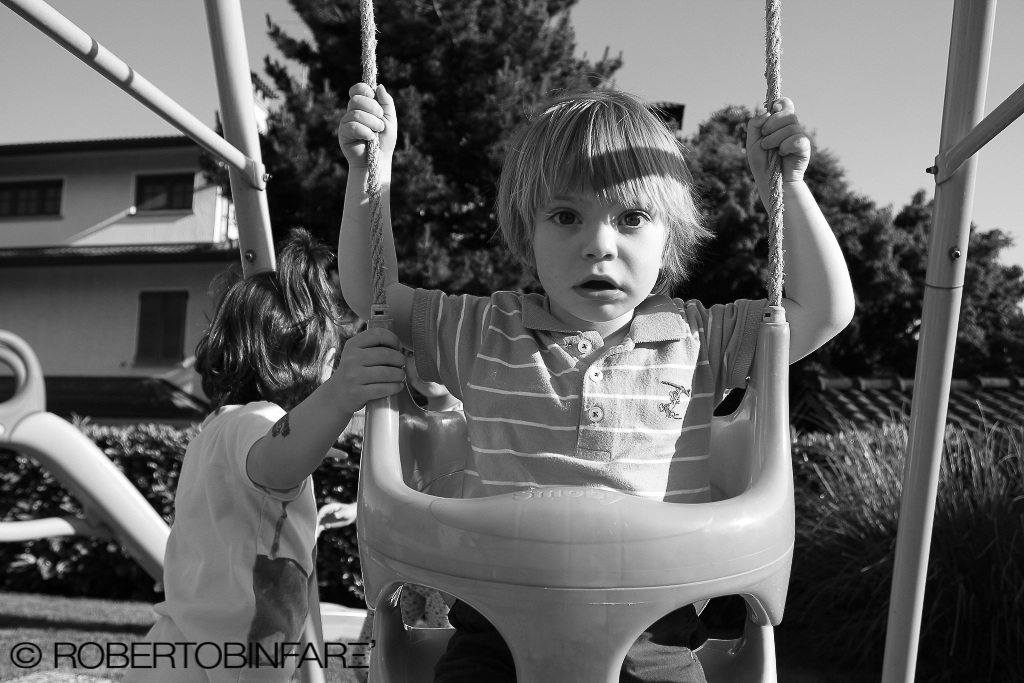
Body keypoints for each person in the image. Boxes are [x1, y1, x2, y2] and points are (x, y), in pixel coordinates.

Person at [337, 84, 854, 682]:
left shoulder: (699, 339)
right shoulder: (482, 330)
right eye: (565, 216)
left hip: (654, 636)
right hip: (496, 633)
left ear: (671, 236)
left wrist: (783, 190)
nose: (599, 245)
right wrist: (370, 174)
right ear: (526, 231)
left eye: (632, 218)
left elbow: (823, 309)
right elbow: (371, 295)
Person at [124, 229, 406, 683]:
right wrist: (339, 397)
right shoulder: (256, 422)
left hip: (181, 644)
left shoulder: (218, 426)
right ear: (308, 361)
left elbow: (289, 551)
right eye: (332, 366)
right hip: (227, 660)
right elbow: (276, 461)